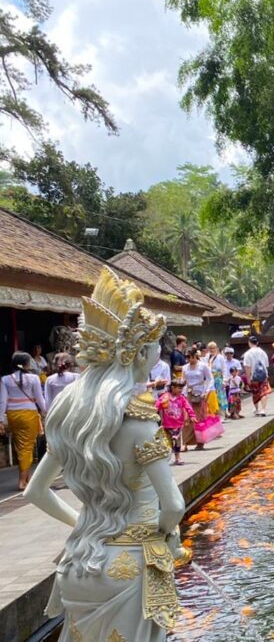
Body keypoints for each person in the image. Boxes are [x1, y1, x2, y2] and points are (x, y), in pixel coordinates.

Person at [24, 267, 190, 642]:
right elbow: (174, 504)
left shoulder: (73, 416)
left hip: (80, 560)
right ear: (139, 353)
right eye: (152, 349)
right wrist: (165, 533)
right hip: (130, 564)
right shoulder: (139, 418)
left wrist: (87, 526)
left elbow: (34, 492)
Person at [0, 351, 47, 489]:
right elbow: (39, 399)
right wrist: (46, 412)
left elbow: (2, 401)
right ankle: (22, 481)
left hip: (13, 415)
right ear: (26, 364)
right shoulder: (34, 378)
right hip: (29, 414)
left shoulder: (5, 379)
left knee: (20, 446)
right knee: (27, 447)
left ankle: (26, 478)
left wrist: (1, 420)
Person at [157, 379, 196, 465]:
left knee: (177, 441)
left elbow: (187, 406)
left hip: (178, 423)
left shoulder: (181, 398)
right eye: (179, 388)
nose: (180, 390)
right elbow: (157, 405)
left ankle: (178, 457)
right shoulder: (165, 396)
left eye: (181, 389)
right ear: (172, 387)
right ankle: (165, 458)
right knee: (167, 441)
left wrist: (192, 415)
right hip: (167, 424)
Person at [182, 349, 214, 450]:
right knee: (186, 418)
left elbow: (210, 379)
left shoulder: (203, 366)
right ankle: (185, 442)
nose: (190, 359)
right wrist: (182, 394)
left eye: (191, 357)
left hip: (200, 393)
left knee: (199, 418)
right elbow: (183, 381)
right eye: (188, 358)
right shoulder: (185, 367)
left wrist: (207, 391)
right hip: (189, 393)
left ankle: (200, 442)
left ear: (195, 356)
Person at [243, 336, 271, 417]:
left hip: (253, 376)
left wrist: (248, 378)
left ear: (249, 343)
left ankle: (257, 409)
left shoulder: (248, 353)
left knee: (255, 392)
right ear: (257, 343)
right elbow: (266, 365)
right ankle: (263, 409)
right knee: (264, 392)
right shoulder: (263, 352)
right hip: (263, 375)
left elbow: (247, 367)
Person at [206, 342, 228, 418]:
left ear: (216, 348)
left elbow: (224, 369)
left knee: (220, 396)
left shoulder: (220, 357)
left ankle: (222, 415)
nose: (212, 350)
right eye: (210, 348)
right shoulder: (206, 357)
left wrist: (225, 380)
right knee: (211, 396)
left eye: (213, 348)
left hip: (218, 379)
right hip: (209, 379)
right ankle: (213, 414)